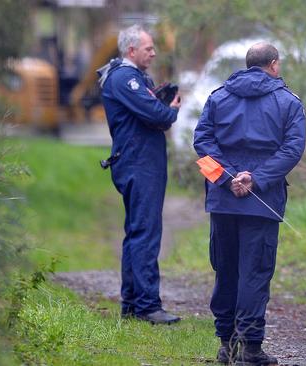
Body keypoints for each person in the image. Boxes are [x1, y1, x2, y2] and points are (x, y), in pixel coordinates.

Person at [193, 42, 306, 365]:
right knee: (254, 273)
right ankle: (250, 349)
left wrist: (227, 178)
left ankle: (226, 345)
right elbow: (292, 150)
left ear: (247, 65)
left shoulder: (217, 98)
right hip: (262, 201)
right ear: (273, 65)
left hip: (223, 201)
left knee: (225, 270)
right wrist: (255, 180)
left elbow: (201, 145)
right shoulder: (289, 103)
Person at [98, 24, 181, 324]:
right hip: (139, 164)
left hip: (139, 161)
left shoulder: (132, 77)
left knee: (137, 233)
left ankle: (132, 304)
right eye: (149, 48)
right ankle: (148, 306)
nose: (154, 52)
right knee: (145, 233)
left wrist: (160, 108)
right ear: (131, 50)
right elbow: (157, 115)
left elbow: (148, 114)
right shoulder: (124, 78)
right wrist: (170, 110)